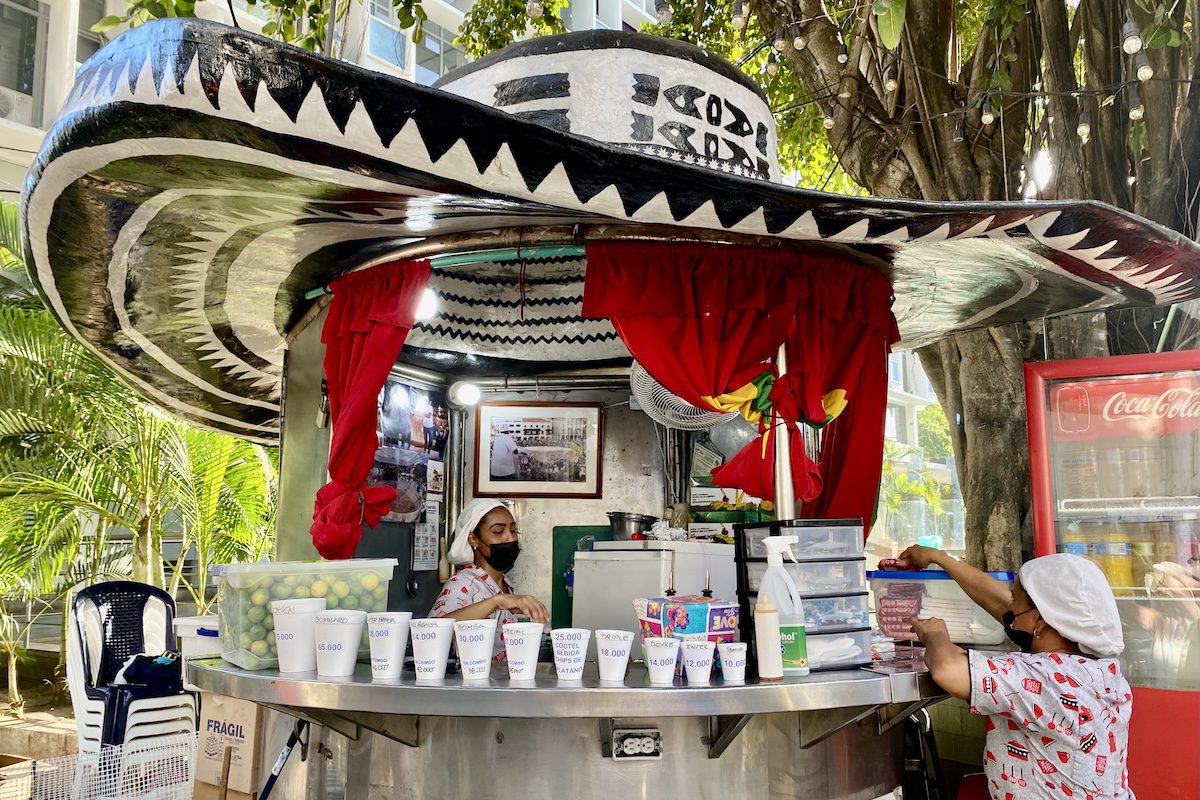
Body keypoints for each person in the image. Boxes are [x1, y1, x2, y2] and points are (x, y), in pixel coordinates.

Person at [898, 545, 1134, 800]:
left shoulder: (1042, 679)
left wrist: (934, 634)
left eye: (1015, 599)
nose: (1009, 610)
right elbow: (998, 601)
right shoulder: (1101, 670)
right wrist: (940, 559)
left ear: (1040, 621)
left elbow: (948, 670)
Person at [431, 499, 549, 627]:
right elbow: (432, 631)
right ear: (473, 539)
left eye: (513, 530)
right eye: (498, 531)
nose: (510, 538)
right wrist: (496, 602)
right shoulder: (463, 583)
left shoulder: (503, 583)